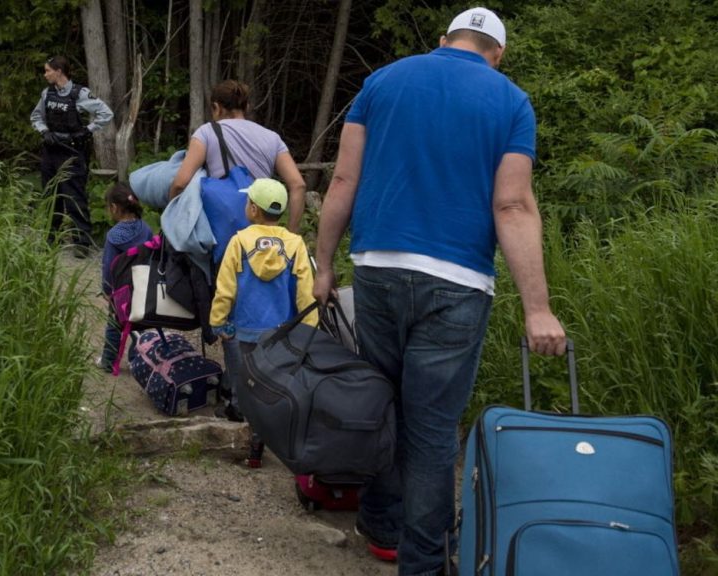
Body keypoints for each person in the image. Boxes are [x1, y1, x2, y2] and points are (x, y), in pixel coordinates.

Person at [312, 7, 566, 576]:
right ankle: (422, 562)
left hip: (376, 266)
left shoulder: (382, 81)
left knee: (383, 404)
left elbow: (345, 181)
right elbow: (512, 204)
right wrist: (538, 307)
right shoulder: (509, 101)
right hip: (457, 283)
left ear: (443, 39)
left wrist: (323, 265)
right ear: (497, 53)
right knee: (430, 431)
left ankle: (379, 526)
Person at [169, 79, 307, 421]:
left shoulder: (206, 132)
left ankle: (236, 395)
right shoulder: (271, 138)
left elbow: (182, 181)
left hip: (229, 240)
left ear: (216, 107)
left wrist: (173, 210)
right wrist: (290, 232)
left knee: (231, 316)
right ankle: (264, 390)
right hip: (272, 240)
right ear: (245, 106)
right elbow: (298, 184)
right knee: (270, 314)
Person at [209, 178, 317, 466]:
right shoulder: (295, 244)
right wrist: (309, 332)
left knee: (246, 384)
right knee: (275, 383)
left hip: (243, 330)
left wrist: (218, 322)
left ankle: (251, 443)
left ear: (254, 210)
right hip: (281, 333)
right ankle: (275, 436)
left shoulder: (239, 241)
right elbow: (306, 294)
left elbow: (226, 289)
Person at [30, 55, 114, 258]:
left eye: (48, 70)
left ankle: (82, 243)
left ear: (59, 71)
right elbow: (36, 116)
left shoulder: (80, 94)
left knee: (75, 197)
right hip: (51, 152)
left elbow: (106, 113)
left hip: (72, 153)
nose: (45, 74)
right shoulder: (47, 94)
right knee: (51, 196)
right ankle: (51, 239)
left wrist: (88, 130)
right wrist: (44, 131)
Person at [98, 183, 153, 373]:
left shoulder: (113, 236)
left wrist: (107, 289)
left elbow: (108, 266)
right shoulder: (145, 229)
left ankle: (108, 360)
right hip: (142, 283)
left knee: (115, 323)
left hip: (121, 290)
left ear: (113, 208)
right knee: (139, 322)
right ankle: (136, 358)